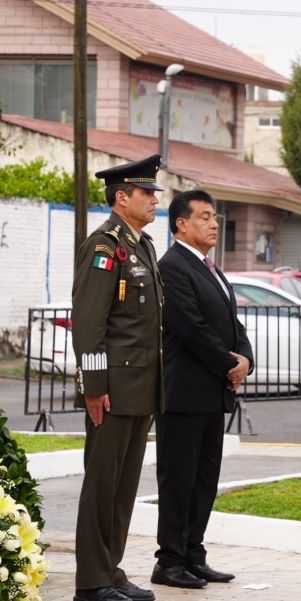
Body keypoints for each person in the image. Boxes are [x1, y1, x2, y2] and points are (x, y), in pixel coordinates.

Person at [72, 155, 165, 601]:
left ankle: (110, 570)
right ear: (121, 197)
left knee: (124, 487)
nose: (153, 200)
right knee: (101, 486)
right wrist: (93, 389)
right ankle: (90, 583)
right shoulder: (105, 246)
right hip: (110, 391)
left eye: (153, 193)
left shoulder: (142, 245)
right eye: (146, 193)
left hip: (140, 388)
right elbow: (90, 323)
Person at [152, 190, 253, 589]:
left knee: (204, 478)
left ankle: (194, 554)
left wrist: (245, 357)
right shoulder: (172, 267)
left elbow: (231, 323)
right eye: (205, 217)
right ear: (181, 223)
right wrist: (230, 364)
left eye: (215, 217)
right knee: (178, 479)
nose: (214, 224)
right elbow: (190, 328)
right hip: (183, 394)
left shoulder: (209, 267)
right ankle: (169, 560)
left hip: (211, 393)